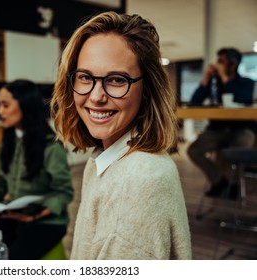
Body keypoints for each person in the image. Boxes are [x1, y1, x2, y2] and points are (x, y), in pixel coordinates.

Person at [50, 12, 191, 259]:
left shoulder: (140, 182)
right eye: (85, 77)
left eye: (116, 80)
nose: (96, 97)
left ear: (147, 89)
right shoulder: (104, 158)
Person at [0, 80, 73, 260]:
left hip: (47, 220)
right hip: (14, 214)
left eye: (5, 105)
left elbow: (63, 193)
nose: (0, 111)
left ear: (25, 105)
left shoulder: (51, 147)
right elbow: (1, 179)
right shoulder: (9, 140)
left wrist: (33, 218)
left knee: (14, 261)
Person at [188, 48, 256, 198]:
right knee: (193, 150)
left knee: (239, 151)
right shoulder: (214, 83)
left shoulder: (247, 83)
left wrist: (225, 77)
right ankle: (219, 181)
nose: (217, 64)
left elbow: (242, 100)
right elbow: (194, 102)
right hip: (217, 129)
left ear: (233, 64)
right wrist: (205, 80)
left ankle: (234, 185)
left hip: (242, 128)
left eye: (221, 61)